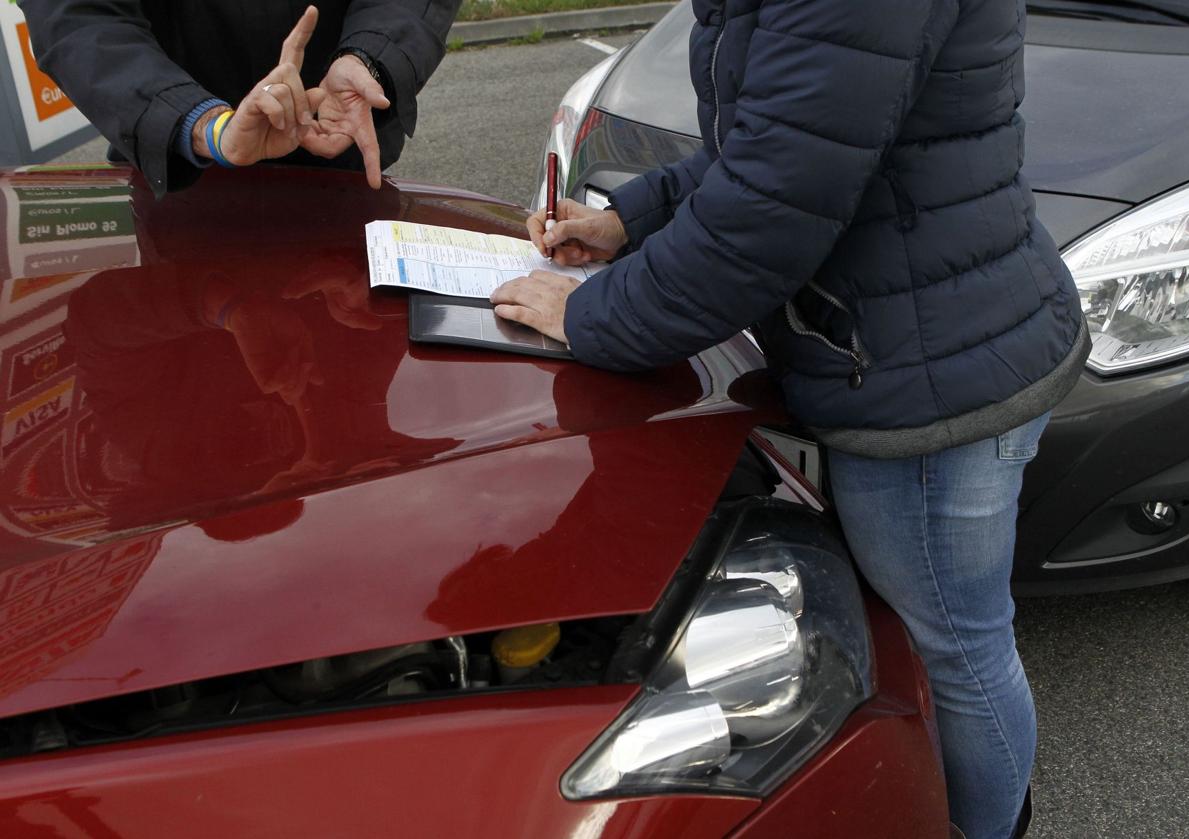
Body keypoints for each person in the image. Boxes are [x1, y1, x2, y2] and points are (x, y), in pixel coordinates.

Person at [493, 1, 1087, 837]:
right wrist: (631, 218)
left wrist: (591, 315)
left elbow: (770, 204)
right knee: (937, 636)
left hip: (932, 385)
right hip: (920, 345)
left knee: (957, 648)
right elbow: (780, 141)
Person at [19, 1, 459, 197]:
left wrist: (368, 58)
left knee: (340, 368)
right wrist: (202, 124)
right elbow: (78, 16)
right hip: (178, 174)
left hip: (338, 162)